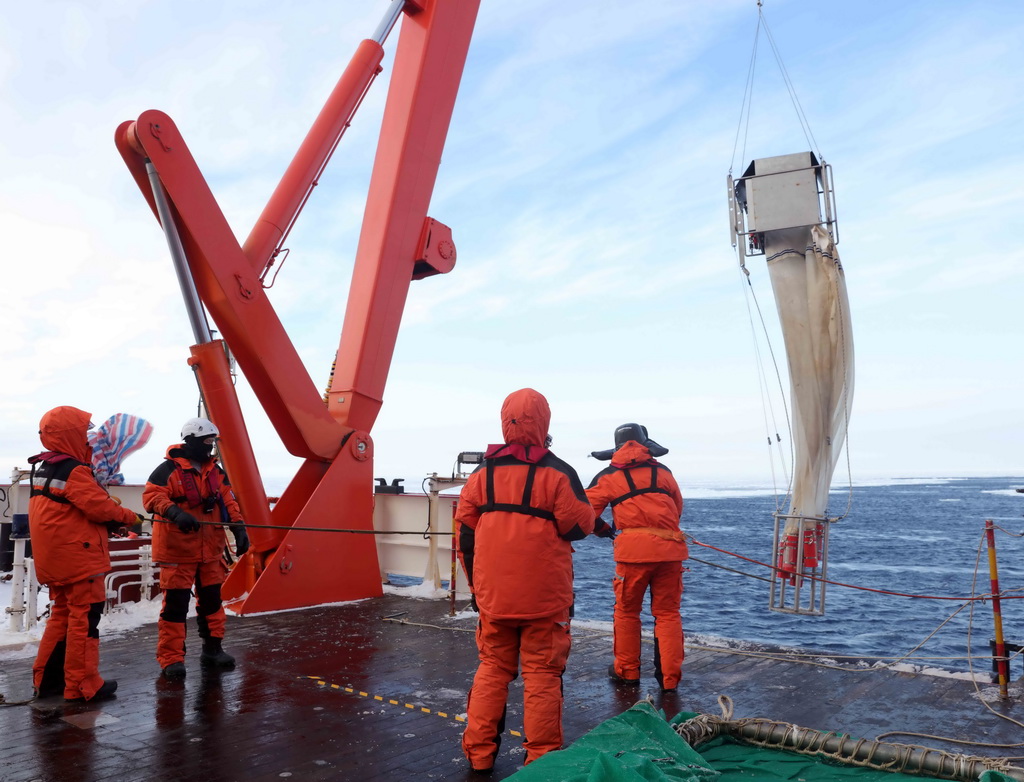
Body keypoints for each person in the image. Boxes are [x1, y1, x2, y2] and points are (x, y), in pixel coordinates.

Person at [456, 388, 594, 773]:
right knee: (543, 676)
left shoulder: (481, 475)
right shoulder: (559, 472)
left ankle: (480, 756)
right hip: (545, 601)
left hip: (494, 598)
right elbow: (579, 525)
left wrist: (477, 590)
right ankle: (541, 762)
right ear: (544, 423)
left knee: (492, 669)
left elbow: (464, 536)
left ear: (506, 422)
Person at [28, 406, 143, 702]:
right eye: (83, 433)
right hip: (80, 561)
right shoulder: (75, 470)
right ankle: (82, 685)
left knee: (61, 619)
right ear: (70, 436)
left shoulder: (44, 469)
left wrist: (109, 522)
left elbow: (69, 512)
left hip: (57, 559)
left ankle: (47, 681)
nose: (89, 439)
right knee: (84, 623)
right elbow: (99, 507)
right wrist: (129, 517)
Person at [142, 417, 249, 678]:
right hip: (177, 551)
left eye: (212, 441)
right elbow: (152, 497)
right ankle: (171, 659)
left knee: (212, 602)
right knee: (176, 607)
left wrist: (238, 527)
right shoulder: (167, 470)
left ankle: (213, 650)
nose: (211, 446)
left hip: (210, 551)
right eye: (206, 441)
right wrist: (175, 512)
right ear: (191, 441)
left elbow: (228, 501)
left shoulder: (216, 472)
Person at [586, 423, 686, 693]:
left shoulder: (607, 476)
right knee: (667, 614)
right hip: (670, 551)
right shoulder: (663, 472)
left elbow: (583, 513)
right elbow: (677, 508)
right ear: (646, 445)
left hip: (632, 556)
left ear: (616, 449)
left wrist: (603, 530)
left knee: (627, 613)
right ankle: (669, 679)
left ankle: (627, 672)